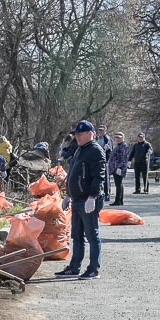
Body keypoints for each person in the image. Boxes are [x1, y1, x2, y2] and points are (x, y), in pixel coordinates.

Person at [55, 120, 105, 280]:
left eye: (80, 134)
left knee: (92, 235)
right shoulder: (79, 150)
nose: (77, 137)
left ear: (90, 134)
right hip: (77, 199)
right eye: (76, 134)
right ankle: (74, 267)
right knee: (76, 235)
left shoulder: (95, 151)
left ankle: (93, 269)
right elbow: (73, 174)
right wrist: (68, 194)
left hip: (88, 199)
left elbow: (99, 176)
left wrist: (92, 196)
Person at [108, 132, 129, 206]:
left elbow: (123, 158)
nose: (117, 139)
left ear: (123, 138)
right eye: (116, 138)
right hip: (115, 167)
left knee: (118, 184)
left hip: (119, 168)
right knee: (119, 184)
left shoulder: (123, 146)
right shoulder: (117, 146)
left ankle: (118, 200)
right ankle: (120, 200)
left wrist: (120, 167)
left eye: (119, 138)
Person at [95, 124, 113, 199]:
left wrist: (108, 149)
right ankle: (99, 192)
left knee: (106, 177)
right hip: (97, 160)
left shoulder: (107, 139)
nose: (100, 131)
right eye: (99, 130)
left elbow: (111, 150)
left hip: (105, 160)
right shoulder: (97, 138)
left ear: (105, 131)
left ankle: (107, 193)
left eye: (102, 130)